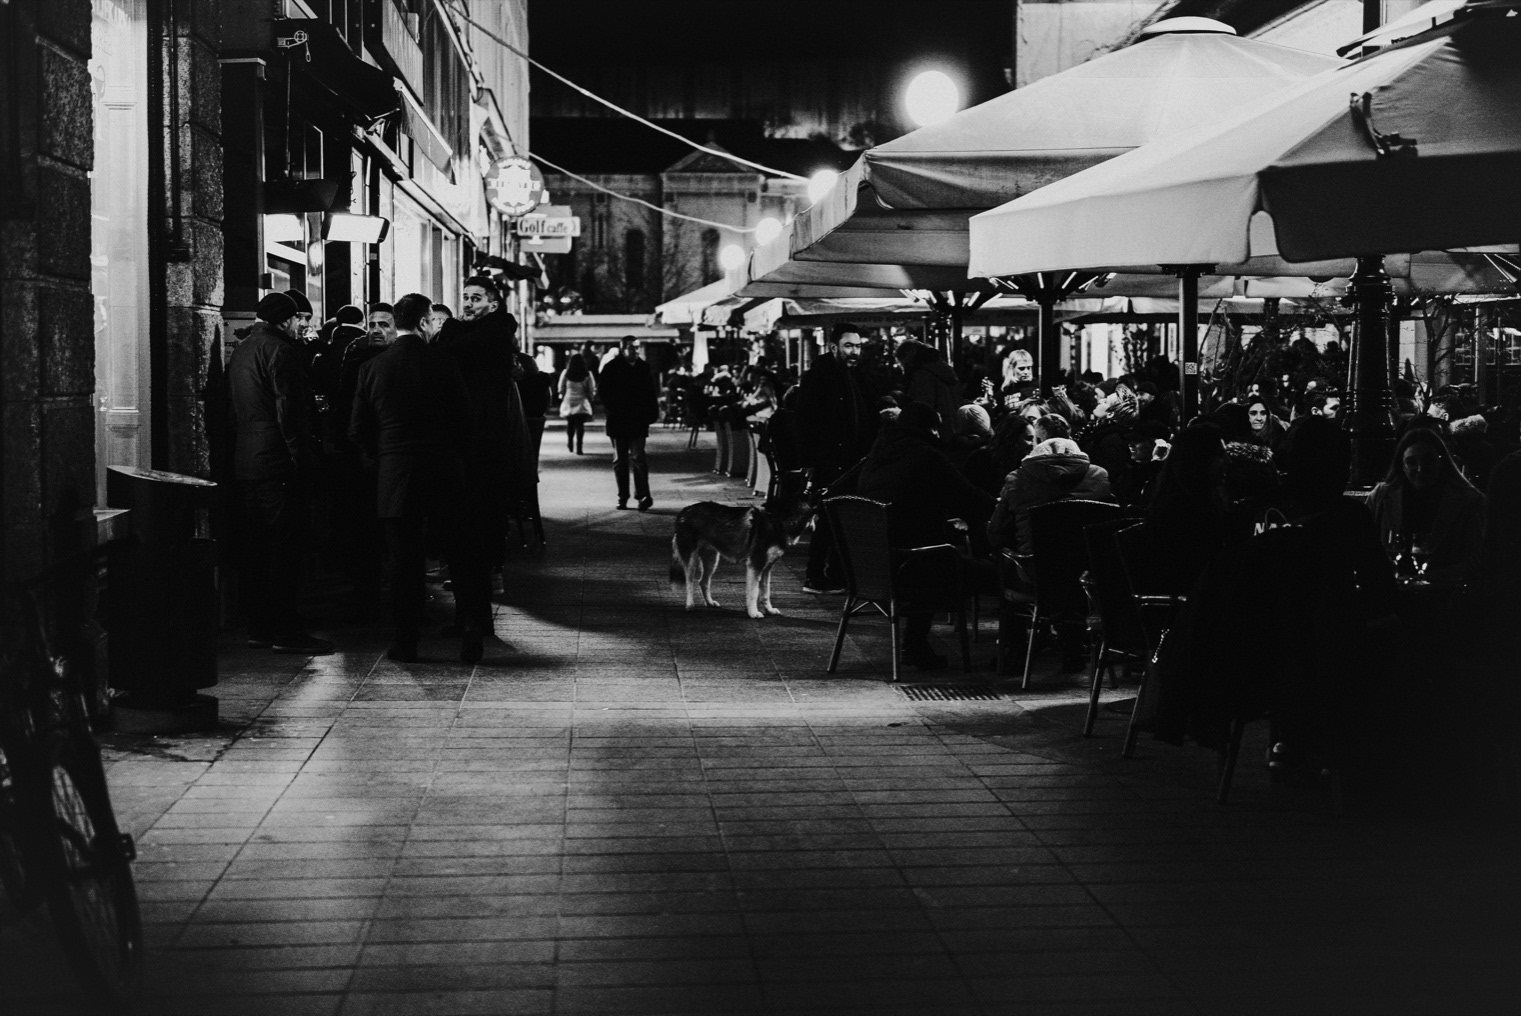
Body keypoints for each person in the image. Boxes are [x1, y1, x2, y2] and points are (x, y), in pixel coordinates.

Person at [350, 293, 490, 664]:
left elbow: (358, 428)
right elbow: (465, 420)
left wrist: (385, 456)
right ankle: (471, 632)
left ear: (396, 322)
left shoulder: (372, 368)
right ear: (425, 321)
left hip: (397, 475)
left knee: (404, 563)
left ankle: (406, 641)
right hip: (444, 470)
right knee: (460, 555)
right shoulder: (443, 362)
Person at [226, 291, 332, 655]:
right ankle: (286, 630)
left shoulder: (242, 349)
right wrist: (303, 459)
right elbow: (289, 411)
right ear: (285, 320)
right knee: (286, 548)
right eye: (298, 318)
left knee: (258, 548)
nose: (301, 324)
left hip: (247, 458)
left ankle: (260, 626)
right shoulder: (280, 350)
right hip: (277, 461)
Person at [857, 404, 995, 670]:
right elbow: (967, 495)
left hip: (872, 565)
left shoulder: (876, 457)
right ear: (929, 428)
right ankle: (1017, 651)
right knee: (996, 573)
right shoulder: (926, 456)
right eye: (937, 428)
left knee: (938, 554)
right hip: (913, 563)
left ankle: (915, 642)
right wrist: (1002, 506)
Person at [436, 276, 535, 572]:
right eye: (465, 297)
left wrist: (450, 328)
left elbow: (449, 353)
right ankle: (474, 567)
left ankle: (487, 567)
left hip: (486, 434)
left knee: (485, 503)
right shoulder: (480, 331)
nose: (467, 303)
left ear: (492, 305)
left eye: (475, 298)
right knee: (470, 504)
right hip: (468, 431)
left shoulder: (494, 332)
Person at [795, 323, 878, 594]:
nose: (854, 351)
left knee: (842, 517)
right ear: (833, 347)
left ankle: (837, 573)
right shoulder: (818, 377)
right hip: (830, 458)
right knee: (828, 517)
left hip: (854, 459)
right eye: (848, 346)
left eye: (858, 346)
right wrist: (809, 461)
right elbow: (806, 421)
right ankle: (815, 575)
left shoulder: (857, 375)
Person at [1368, 428, 1485, 588]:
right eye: (1412, 462)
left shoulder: (1469, 501)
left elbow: (1477, 559)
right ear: (1402, 465)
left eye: (1428, 461)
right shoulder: (1382, 496)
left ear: (1441, 461)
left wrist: (1428, 580)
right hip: (1391, 590)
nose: (1420, 469)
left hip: (1445, 592)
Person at [987, 436, 1114, 558]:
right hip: (1093, 562)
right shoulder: (1100, 476)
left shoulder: (1016, 480)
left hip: (1036, 565)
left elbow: (996, 534)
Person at [598, 336, 659, 510]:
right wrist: (614, 408)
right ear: (623, 348)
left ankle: (643, 495)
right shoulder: (611, 367)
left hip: (638, 420)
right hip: (618, 419)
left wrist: (651, 414)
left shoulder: (643, 367)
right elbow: (603, 392)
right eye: (632, 347)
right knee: (620, 461)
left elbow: (651, 392)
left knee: (639, 457)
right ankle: (622, 496)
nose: (635, 351)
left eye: (637, 347)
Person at [894, 339, 962, 425]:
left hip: (935, 426)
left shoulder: (922, 374)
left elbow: (923, 406)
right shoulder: (943, 367)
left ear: (907, 357)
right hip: (953, 422)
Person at [558, 353, 596, 454]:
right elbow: (591, 389)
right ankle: (579, 447)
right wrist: (591, 399)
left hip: (569, 401)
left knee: (570, 424)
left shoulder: (566, 373)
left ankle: (570, 443)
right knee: (580, 425)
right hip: (582, 401)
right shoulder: (587, 374)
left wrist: (562, 396)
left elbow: (560, 387)